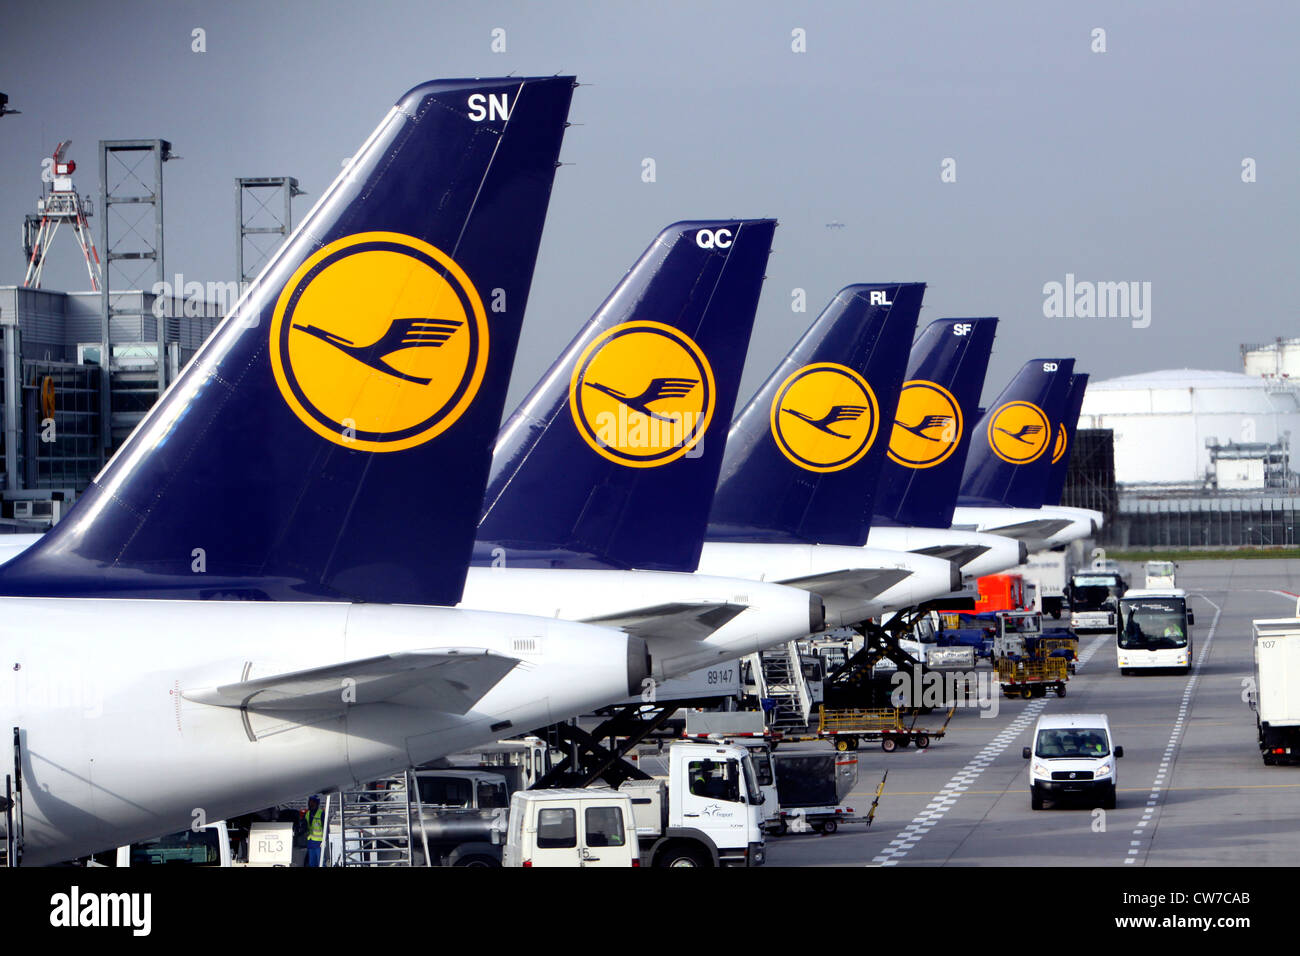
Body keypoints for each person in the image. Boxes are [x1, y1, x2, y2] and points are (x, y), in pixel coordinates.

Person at [303, 796, 325, 867]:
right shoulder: (308, 814)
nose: (311, 804)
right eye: (310, 802)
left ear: (317, 804)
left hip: (319, 843)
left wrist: (325, 840)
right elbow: (305, 826)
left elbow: (326, 828)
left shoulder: (321, 814)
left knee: (321, 863)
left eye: (313, 802)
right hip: (311, 842)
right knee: (312, 863)